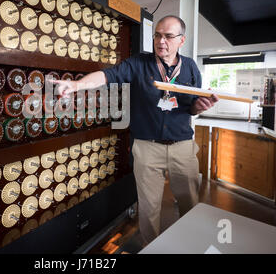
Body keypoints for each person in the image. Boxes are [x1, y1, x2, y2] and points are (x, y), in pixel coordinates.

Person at [50, 15, 219, 246]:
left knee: (189, 202)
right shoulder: (139, 63)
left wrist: (198, 107)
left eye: (168, 36)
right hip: (147, 149)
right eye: (157, 35)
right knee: (149, 209)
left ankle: (191, 245)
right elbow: (108, 75)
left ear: (181, 40)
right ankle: (151, 248)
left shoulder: (190, 67)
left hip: (183, 148)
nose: (161, 41)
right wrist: (78, 85)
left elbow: (191, 108)